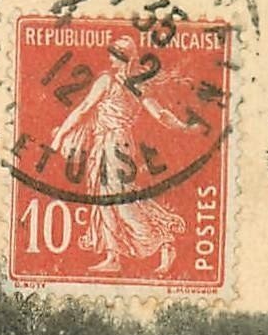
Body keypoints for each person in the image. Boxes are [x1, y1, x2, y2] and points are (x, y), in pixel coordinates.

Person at [49, 36, 187, 275]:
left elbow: (83, 109)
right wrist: (182, 126)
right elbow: (160, 114)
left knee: (122, 202)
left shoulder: (108, 81)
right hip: (112, 144)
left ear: (121, 58)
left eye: (113, 53)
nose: (109, 57)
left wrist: (60, 135)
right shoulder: (138, 85)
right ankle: (113, 256)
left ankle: (164, 240)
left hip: (113, 144)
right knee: (105, 199)